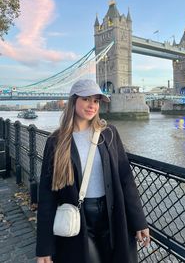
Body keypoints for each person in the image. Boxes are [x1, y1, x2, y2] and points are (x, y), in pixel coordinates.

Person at [36, 78, 150, 263]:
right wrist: (44, 248)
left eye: (96, 101)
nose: (92, 105)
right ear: (74, 101)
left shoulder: (109, 133)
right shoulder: (56, 141)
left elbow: (126, 179)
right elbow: (47, 195)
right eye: (86, 99)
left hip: (112, 214)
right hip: (78, 219)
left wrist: (139, 222)